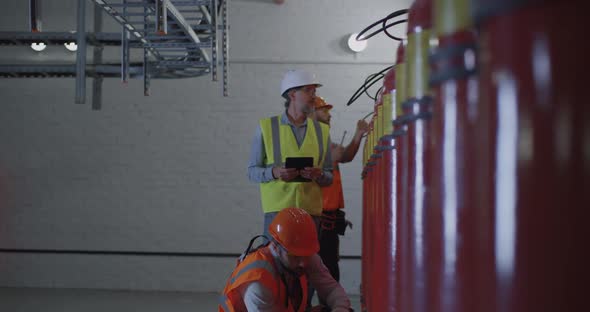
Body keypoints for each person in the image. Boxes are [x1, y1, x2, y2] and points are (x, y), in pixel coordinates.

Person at [247, 69, 333, 238]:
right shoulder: (266, 127)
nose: (314, 96)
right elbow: (251, 172)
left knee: (307, 263)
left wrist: (319, 174)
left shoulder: (322, 131)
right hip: (277, 213)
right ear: (293, 94)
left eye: (314, 91)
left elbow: (330, 176)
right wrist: (274, 172)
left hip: (310, 214)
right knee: (276, 263)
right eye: (308, 90)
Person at [218, 207, 353, 312]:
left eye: (307, 255)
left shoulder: (304, 255)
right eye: (295, 256)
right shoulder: (258, 280)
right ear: (276, 247)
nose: (303, 263)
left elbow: (332, 291)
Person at [310, 97, 368, 282]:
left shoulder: (327, 144)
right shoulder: (308, 143)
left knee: (329, 268)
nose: (329, 115)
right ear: (312, 113)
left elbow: (346, 155)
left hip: (329, 219)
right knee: (321, 270)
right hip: (317, 219)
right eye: (324, 111)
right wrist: (327, 157)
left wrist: (358, 134)